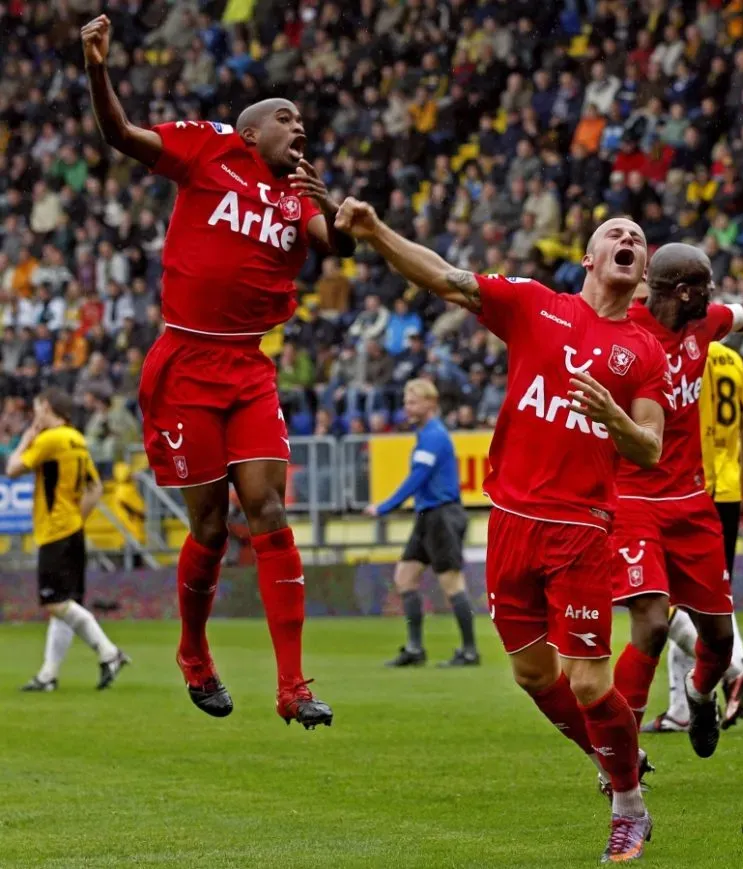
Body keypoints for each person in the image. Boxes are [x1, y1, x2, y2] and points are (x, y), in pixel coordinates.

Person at [337, 197, 670, 863]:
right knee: (529, 672)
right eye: (614, 232)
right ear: (590, 257)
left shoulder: (643, 350)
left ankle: (629, 805)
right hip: (512, 523)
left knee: (586, 681)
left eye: (637, 236)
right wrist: (375, 232)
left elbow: (651, 449)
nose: (628, 238)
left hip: (581, 528)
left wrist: (614, 417)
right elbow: (444, 276)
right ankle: (615, 756)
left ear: (643, 269)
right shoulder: (533, 306)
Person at [81, 16, 354, 728]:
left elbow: (339, 245)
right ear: (250, 132)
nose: (299, 130)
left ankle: (293, 685)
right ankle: (194, 652)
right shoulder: (207, 151)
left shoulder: (297, 197)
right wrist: (98, 70)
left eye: (302, 122)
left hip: (248, 365)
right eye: (285, 120)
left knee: (267, 508)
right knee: (209, 529)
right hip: (184, 363)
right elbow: (121, 137)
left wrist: (339, 215)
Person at [608, 246, 743, 754]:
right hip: (632, 500)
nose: (715, 293)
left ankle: (699, 697)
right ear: (682, 291)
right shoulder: (622, 334)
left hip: (692, 501)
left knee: (718, 642)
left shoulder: (702, 326)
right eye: (706, 285)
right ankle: (619, 758)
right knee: (652, 624)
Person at [645, 341, 743, 735]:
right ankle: (681, 708)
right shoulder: (732, 357)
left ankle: (733, 666)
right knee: (706, 600)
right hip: (727, 489)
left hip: (686, 488)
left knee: (660, 599)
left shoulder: (677, 354)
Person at [6, 388, 129, 691]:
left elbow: (12, 469)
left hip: (54, 531)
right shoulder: (76, 438)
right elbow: (95, 487)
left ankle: (109, 652)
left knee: (56, 602)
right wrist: (77, 517)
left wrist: (26, 437)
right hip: (73, 529)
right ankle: (48, 675)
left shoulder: (50, 439)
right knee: (64, 605)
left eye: (37, 409)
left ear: (47, 407)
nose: (35, 416)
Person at [364, 378, 478, 668]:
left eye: (412, 401)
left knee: (451, 583)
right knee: (404, 577)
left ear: (431, 403)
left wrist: (385, 507)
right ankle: (415, 649)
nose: (407, 407)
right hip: (428, 515)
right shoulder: (425, 434)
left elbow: (418, 478)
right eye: (405, 401)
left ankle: (469, 651)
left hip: (442, 515)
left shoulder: (435, 436)